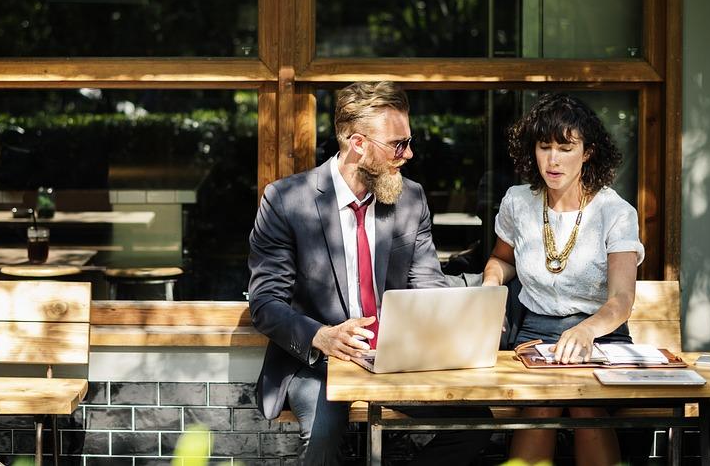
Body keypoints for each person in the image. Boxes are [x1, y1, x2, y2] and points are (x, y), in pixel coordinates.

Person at [248, 81, 488, 465]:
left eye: (408, 141)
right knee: (324, 436)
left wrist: (454, 322)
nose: (408, 154)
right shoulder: (285, 201)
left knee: (473, 425)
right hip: (319, 363)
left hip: (393, 359)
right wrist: (322, 337)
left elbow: (426, 287)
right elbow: (265, 303)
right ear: (358, 143)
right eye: (398, 144)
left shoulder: (410, 198)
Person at [482, 93, 644, 465]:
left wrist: (586, 331)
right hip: (534, 334)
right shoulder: (517, 202)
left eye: (566, 147)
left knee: (586, 407)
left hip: (602, 337)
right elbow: (501, 259)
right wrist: (492, 282)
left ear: (587, 153)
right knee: (542, 406)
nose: (553, 160)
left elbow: (621, 300)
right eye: (544, 147)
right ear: (532, 151)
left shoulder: (615, 212)